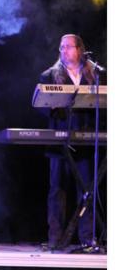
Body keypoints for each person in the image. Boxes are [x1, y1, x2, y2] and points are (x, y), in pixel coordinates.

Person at [38, 34, 103, 249]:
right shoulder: (49, 75)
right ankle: (55, 239)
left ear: (79, 50)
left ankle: (87, 238)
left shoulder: (94, 75)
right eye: (61, 47)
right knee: (57, 190)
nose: (63, 50)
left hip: (85, 141)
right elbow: (41, 105)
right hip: (59, 143)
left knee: (86, 191)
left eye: (68, 46)